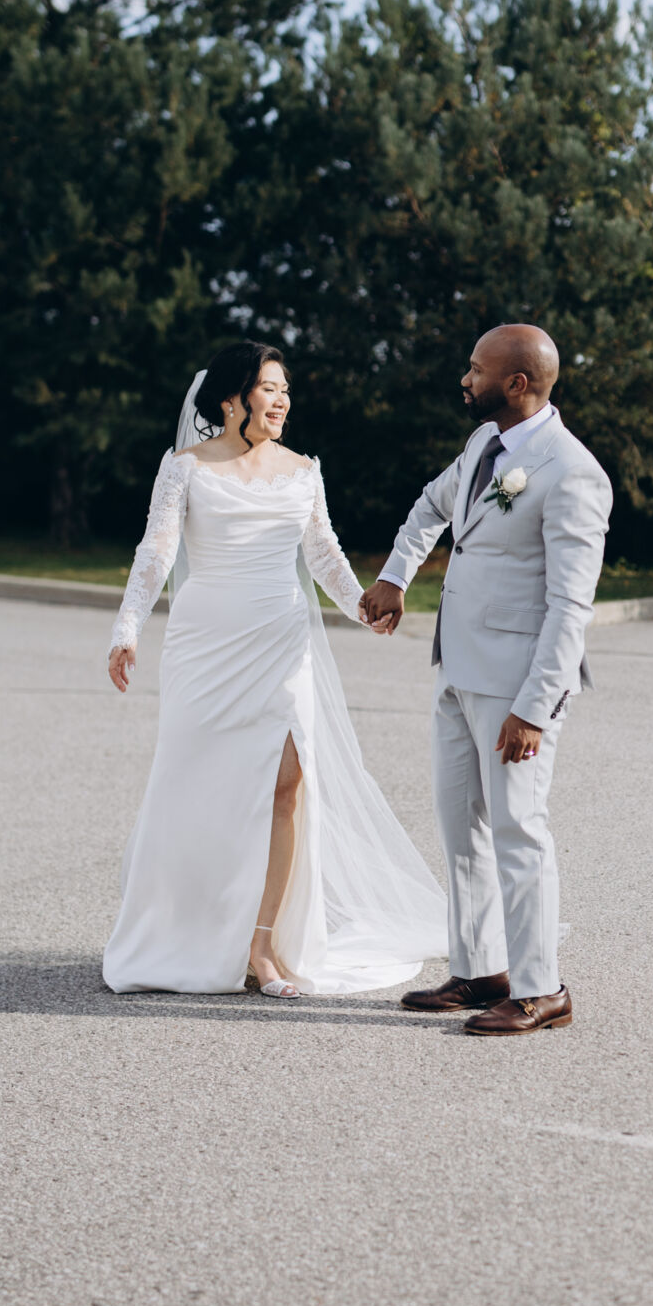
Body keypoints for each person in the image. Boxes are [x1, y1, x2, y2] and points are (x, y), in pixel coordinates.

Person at [104, 341, 447, 998]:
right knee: (198, 789)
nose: (282, 399)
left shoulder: (303, 470)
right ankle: (196, 932)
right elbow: (156, 551)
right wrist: (127, 629)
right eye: (269, 387)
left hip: (282, 643)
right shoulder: (185, 468)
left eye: (286, 388)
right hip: (206, 647)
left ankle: (263, 946)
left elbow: (323, 552)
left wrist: (363, 605)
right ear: (232, 399)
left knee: (289, 784)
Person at [360, 325, 612, 1036]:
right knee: (460, 828)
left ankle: (541, 989)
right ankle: (479, 971)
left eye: (476, 369)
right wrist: (395, 575)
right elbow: (431, 506)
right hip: (456, 671)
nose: (465, 379)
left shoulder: (572, 472)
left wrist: (535, 708)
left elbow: (570, 607)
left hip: (516, 688)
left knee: (517, 830)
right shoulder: (482, 446)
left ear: (517, 383)